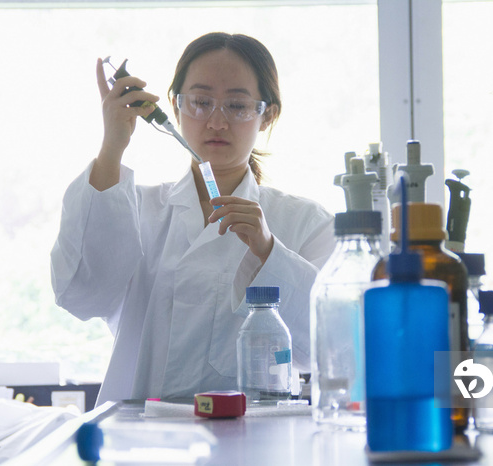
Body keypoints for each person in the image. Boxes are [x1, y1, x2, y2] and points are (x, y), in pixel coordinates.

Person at [50, 32, 335, 405]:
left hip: (255, 447)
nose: (216, 122)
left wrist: (268, 252)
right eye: (200, 102)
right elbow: (81, 296)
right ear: (174, 105)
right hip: (142, 443)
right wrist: (112, 147)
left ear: (268, 115)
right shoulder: (134, 208)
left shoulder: (305, 222)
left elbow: (327, 347)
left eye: (236, 106)